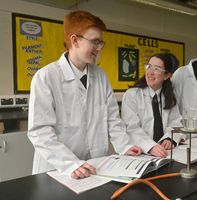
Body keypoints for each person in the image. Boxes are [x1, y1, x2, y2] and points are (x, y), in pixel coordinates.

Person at [27, 10, 142, 179]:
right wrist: (70, 164)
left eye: (101, 43)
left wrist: (124, 146)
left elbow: (112, 118)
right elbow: (40, 131)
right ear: (75, 40)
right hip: (58, 170)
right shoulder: (46, 77)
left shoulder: (101, 76)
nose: (99, 49)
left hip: (95, 167)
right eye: (95, 42)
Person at [121, 53, 183, 158]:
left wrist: (170, 138)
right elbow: (131, 128)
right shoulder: (132, 95)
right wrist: (150, 147)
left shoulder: (169, 96)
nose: (149, 72)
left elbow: (176, 123)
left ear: (167, 75)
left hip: (164, 153)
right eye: (148, 66)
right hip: (140, 153)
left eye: (156, 69)